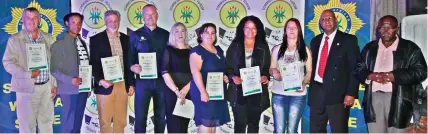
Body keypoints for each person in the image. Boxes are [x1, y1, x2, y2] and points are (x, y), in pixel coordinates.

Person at [356, 15, 427, 133]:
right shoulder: (369, 48)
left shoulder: (410, 48)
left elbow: (421, 72)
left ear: (396, 29)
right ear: (378, 30)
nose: (385, 31)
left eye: (389, 27)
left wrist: (395, 76)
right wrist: (369, 76)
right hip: (374, 98)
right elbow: (358, 68)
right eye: (382, 28)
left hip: (399, 99)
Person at [2, 7, 57, 133]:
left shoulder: (49, 38)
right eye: (28, 18)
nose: (31, 21)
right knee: (27, 127)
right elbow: (7, 62)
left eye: (35, 17)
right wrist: (27, 74)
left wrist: (54, 84)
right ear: (23, 20)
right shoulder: (14, 40)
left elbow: (54, 63)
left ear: (39, 20)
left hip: (46, 87)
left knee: (47, 124)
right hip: (25, 89)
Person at [308, 9, 360, 133]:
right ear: (320, 23)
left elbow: (355, 68)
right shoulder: (315, 41)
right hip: (317, 93)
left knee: (339, 130)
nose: (327, 21)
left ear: (336, 20)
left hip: (338, 94)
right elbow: (311, 66)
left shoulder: (348, 40)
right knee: (316, 130)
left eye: (330, 18)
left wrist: (351, 93)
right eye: (323, 19)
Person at [89, 10, 134, 133]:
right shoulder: (96, 39)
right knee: (105, 122)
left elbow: (129, 62)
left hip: (122, 84)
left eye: (115, 21)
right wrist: (100, 80)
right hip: (104, 84)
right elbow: (92, 63)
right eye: (110, 21)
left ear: (119, 22)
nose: (113, 23)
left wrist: (131, 84)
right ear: (105, 22)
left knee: (121, 121)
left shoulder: (126, 39)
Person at [225, 15, 270, 133]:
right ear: (242, 29)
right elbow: (228, 68)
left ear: (258, 29)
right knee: (239, 125)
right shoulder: (234, 46)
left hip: (257, 92)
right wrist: (233, 77)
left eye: (254, 28)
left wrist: (265, 76)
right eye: (247, 27)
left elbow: (266, 68)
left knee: (254, 125)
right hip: (238, 92)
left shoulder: (263, 46)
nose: (250, 30)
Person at [128, 4, 169, 133]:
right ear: (142, 16)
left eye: (152, 14)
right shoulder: (135, 35)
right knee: (140, 116)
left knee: (161, 116)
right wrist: (132, 67)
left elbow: (172, 58)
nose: (150, 17)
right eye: (147, 14)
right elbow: (129, 58)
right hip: (142, 82)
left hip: (162, 81)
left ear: (157, 16)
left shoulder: (166, 35)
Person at [269, 18, 312, 133]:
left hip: (297, 96)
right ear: (285, 31)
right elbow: (271, 68)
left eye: (295, 27)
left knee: (292, 130)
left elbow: (309, 72)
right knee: (279, 130)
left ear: (299, 30)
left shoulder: (305, 50)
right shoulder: (277, 49)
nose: (292, 29)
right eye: (289, 27)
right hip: (279, 94)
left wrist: (304, 83)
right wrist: (275, 72)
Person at [50, 12, 89, 133]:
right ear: (67, 23)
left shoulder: (83, 43)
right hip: (68, 90)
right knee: (68, 124)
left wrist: (88, 86)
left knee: (77, 124)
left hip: (83, 89)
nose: (77, 25)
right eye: (73, 22)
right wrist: (70, 80)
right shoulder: (59, 44)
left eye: (79, 23)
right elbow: (54, 70)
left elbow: (85, 65)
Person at [189, 23, 230, 133]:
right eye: (207, 32)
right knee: (206, 124)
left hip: (217, 92)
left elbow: (221, 68)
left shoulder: (219, 50)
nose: (210, 35)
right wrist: (203, 92)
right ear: (201, 35)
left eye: (213, 32)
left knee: (212, 125)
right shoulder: (196, 51)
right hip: (203, 92)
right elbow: (195, 72)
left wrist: (225, 77)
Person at [161, 22, 192, 133]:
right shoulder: (168, 50)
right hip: (172, 92)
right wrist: (177, 91)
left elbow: (196, 73)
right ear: (172, 34)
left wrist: (186, 89)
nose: (180, 33)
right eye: (177, 31)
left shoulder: (191, 51)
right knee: (173, 125)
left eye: (182, 30)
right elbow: (164, 72)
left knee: (184, 125)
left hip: (188, 91)